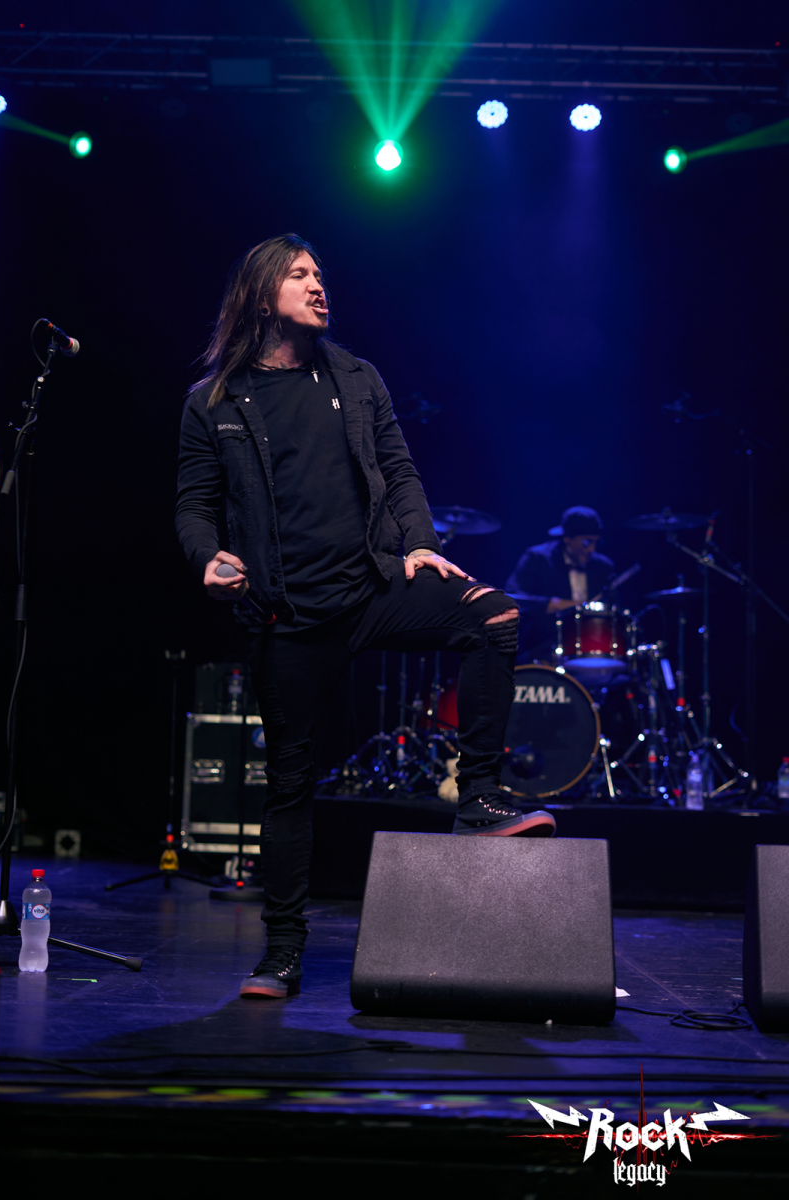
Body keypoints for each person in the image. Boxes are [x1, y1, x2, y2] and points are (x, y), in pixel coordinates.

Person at [176, 233, 556, 1000]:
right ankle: (281, 953)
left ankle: (477, 796)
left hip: (371, 589)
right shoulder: (213, 401)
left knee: (494, 619)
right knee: (290, 786)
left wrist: (420, 544)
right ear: (261, 294)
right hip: (287, 616)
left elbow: (401, 471)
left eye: (320, 273)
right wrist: (208, 558)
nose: (319, 284)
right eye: (299, 274)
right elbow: (194, 504)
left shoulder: (355, 379)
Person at [505, 507, 615, 663]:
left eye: (596, 542)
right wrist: (555, 604)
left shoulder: (604, 567)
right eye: (586, 542)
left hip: (593, 648)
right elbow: (513, 597)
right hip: (541, 648)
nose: (592, 549)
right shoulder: (538, 559)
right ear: (567, 538)